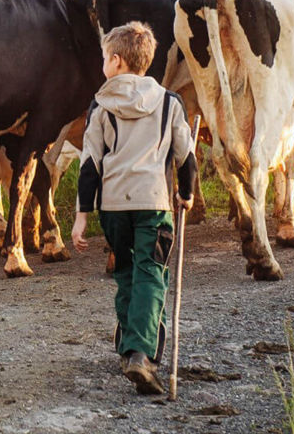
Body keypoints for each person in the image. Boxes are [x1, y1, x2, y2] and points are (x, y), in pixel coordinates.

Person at [70, 21, 196, 395]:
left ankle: (129, 348)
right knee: (151, 274)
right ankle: (141, 352)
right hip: (153, 203)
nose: (103, 65)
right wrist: (187, 192)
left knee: (126, 273)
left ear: (116, 61)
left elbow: (89, 165)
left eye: (104, 59)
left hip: (113, 206)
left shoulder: (100, 106)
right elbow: (185, 155)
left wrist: (81, 216)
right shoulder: (169, 102)